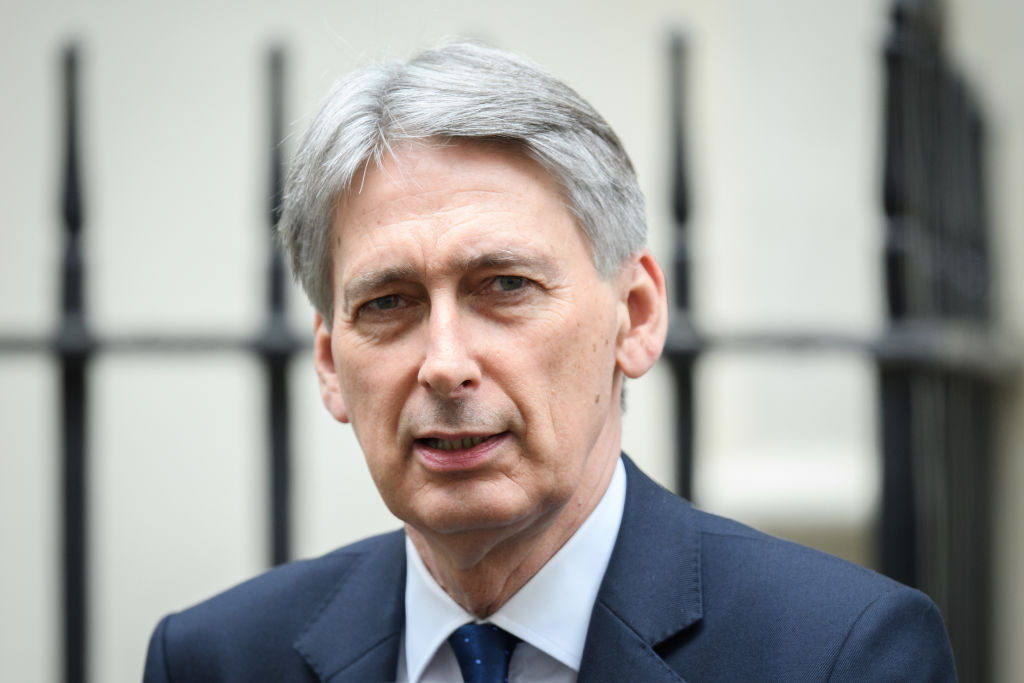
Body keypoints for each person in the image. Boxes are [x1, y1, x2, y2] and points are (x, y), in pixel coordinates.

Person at [143, 41, 956, 682]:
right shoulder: (217, 659)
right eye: (389, 303)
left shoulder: (836, 653)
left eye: (505, 285)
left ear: (636, 315)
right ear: (329, 362)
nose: (444, 365)